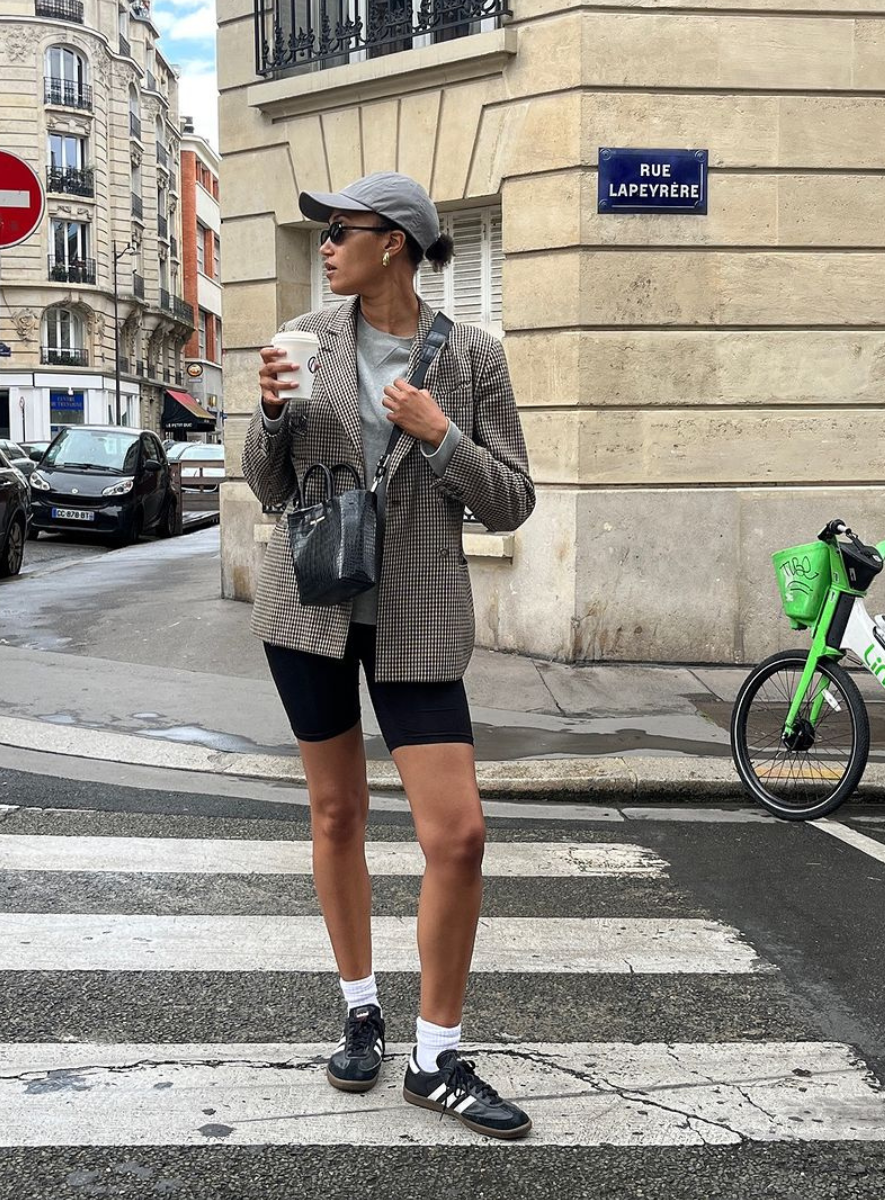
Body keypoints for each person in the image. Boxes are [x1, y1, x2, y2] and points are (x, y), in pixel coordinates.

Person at [242, 171, 536, 1140]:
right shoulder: (305, 338)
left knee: (457, 836)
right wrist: (271, 415)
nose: (324, 243)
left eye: (341, 230)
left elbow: (511, 500)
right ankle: (361, 1008)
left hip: (413, 616)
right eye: (321, 231)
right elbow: (266, 482)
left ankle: (435, 1058)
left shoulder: (472, 360)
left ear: (395, 244)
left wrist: (440, 434)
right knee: (338, 811)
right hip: (311, 610)